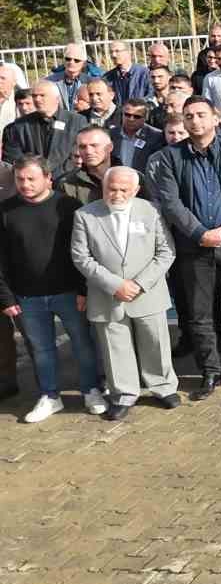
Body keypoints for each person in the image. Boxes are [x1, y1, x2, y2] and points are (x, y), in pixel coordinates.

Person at [149, 97, 221, 399]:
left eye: (201, 114)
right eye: (188, 116)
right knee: (200, 314)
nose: (195, 120)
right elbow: (171, 202)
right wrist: (200, 234)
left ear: (214, 118)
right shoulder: (170, 157)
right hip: (195, 246)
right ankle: (210, 371)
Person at [68, 166, 179, 420]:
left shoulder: (151, 211)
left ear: (136, 190)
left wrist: (139, 284)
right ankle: (124, 394)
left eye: (123, 190)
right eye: (111, 189)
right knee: (114, 347)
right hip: (107, 295)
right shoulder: (85, 215)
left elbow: (166, 251)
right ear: (103, 187)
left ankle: (163, 387)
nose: (116, 195)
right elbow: (81, 257)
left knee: (155, 342)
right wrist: (114, 284)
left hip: (147, 293)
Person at [0, 156, 104, 423]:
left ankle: (91, 390)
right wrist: (6, 297)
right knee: (41, 349)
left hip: (68, 292)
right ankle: (49, 396)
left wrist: (83, 290)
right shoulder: (5, 211)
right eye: (20, 179)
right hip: (27, 296)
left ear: (48, 178)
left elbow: (82, 252)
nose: (25, 184)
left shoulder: (68, 207)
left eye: (31, 178)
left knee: (83, 343)